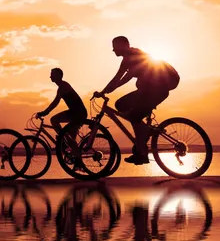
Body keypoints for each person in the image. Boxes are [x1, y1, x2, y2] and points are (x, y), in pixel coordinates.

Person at [93, 36, 180, 165]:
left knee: (134, 117)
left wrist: (109, 89)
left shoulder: (135, 54)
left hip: (157, 90)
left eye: (114, 46)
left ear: (123, 45)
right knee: (120, 104)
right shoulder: (126, 60)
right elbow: (116, 78)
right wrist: (104, 91)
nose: (113, 50)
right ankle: (143, 134)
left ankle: (141, 152)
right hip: (150, 90)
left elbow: (126, 77)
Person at [36, 68, 87, 133]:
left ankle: (61, 139)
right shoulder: (61, 87)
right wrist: (45, 112)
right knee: (70, 138)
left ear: (59, 76)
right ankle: (63, 139)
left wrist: (45, 112)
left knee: (54, 120)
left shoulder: (63, 86)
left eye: (52, 74)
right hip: (76, 112)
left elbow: (55, 102)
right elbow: (55, 102)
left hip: (78, 113)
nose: (50, 76)